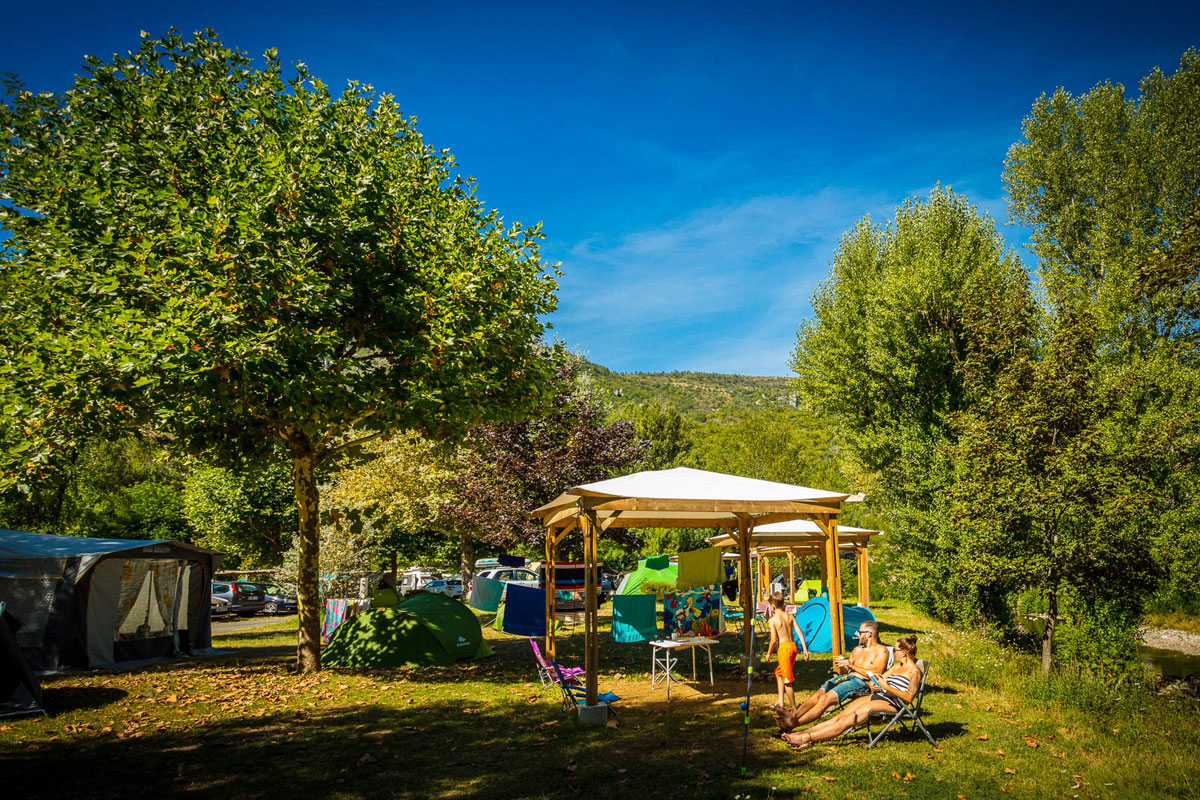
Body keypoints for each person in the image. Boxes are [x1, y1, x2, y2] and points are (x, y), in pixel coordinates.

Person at [781, 635, 923, 750]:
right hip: (879, 695)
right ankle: (804, 732)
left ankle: (806, 738)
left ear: (903, 653)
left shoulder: (915, 672)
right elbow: (880, 679)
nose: (894, 653)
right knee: (841, 715)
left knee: (850, 719)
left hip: (893, 703)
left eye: (895, 651)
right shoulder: (897, 666)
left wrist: (888, 687)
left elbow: (909, 697)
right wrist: (874, 684)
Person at [773, 619, 889, 731]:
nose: (857, 635)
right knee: (819, 694)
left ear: (869, 634)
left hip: (860, 682)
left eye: (860, 632)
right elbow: (845, 671)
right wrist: (843, 665)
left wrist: (852, 666)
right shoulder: (857, 650)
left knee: (825, 699)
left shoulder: (881, 650)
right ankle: (793, 717)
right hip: (846, 678)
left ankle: (792, 724)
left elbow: (877, 673)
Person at [763, 592, 810, 713]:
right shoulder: (790, 616)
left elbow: (773, 640)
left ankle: (795, 710)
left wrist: (768, 653)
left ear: (772, 606)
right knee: (779, 673)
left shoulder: (773, 620)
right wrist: (804, 649)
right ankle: (780, 701)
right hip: (793, 647)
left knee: (787, 680)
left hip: (784, 649)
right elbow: (799, 632)